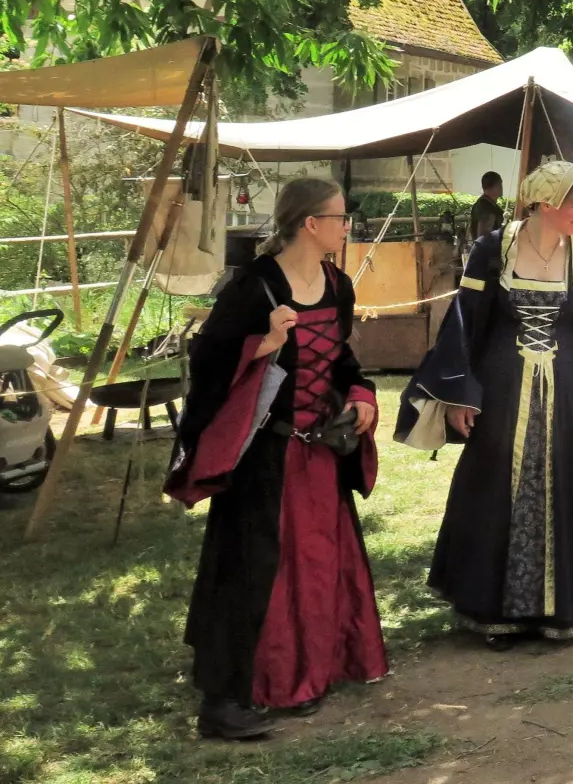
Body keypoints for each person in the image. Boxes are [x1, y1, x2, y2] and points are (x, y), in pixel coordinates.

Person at [165, 177, 384, 740]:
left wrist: (360, 396)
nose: (346, 226)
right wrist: (259, 346)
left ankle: (311, 673)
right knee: (251, 570)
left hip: (317, 457)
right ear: (311, 224)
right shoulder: (254, 288)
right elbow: (207, 360)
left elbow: (342, 359)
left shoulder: (337, 284)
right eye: (339, 217)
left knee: (314, 566)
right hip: (264, 455)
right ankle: (226, 700)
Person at [396, 160, 573, 648]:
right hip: (502, 387)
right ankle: (493, 610)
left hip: (565, 391)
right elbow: (465, 324)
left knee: (558, 486)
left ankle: (556, 612)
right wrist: (458, 393)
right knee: (493, 486)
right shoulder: (494, 251)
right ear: (547, 201)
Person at [472, 171, 506, 239]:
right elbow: (483, 237)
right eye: (500, 184)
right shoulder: (487, 208)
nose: (502, 187)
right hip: (487, 248)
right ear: (494, 187)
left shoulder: (482, 205)